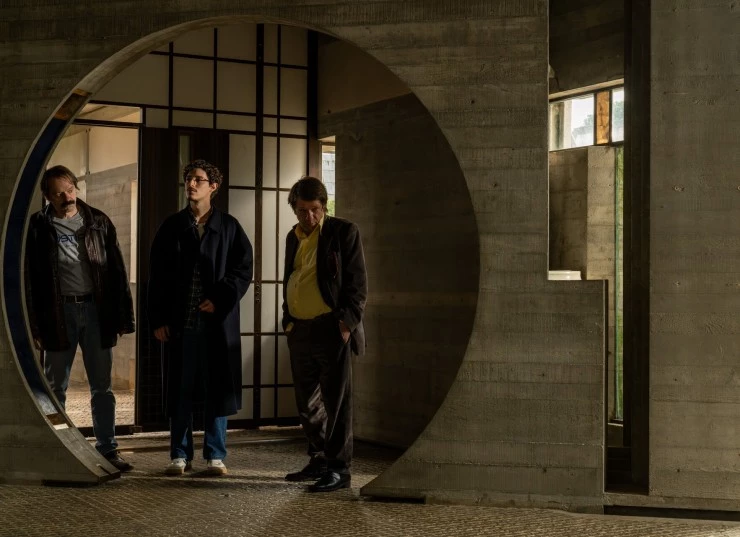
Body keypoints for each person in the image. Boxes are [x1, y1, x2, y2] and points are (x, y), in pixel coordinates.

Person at [25, 165, 136, 472]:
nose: (67, 197)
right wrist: (34, 325)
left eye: (70, 190)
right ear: (47, 196)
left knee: (102, 387)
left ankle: (108, 449)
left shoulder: (98, 221)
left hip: (96, 312)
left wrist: (123, 317)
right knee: (55, 387)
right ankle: (57, 447)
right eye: (59, 193)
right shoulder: (37, 226)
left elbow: (116, 270)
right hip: (58, 313)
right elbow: (29, 278)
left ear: (76, 188)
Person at [148, 159, 253, 477]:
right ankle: (179, 455)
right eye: (188, 179)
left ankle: (215, 455)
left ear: (213, 187)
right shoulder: (172, 226)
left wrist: (220, 297)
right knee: (180, 389)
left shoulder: (229, 227)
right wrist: (158, 319)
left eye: (198, 179)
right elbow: (157, 277)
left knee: (217, 389)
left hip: (216, 326)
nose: (191, 184)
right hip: (181, 324)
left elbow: (243, 270)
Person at [282, 176, 367, 493]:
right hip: (299, 329)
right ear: (295, 208)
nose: (309, 217)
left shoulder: (343, 231)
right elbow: (291, 276)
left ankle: (339, 469)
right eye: (303, 210)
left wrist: (346, 324)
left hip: (332, 328)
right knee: (307, 402)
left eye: (315, 209)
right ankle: (319, 458)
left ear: (324, 206)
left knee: (337, 402)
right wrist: (287, 320)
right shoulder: (292, 236)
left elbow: (358, 284)